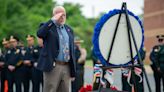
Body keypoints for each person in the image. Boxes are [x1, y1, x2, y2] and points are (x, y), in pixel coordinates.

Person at [37, 6, 76, 92]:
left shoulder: (69, 29)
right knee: (50, 90)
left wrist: (73, 71)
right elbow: (40, 33)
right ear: (53, 15)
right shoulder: (48, 27)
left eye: (64, 15)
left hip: (66, 66)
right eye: (59, 15)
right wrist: (52, 20)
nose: (61, 17)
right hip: (53, 66)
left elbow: (71, 51)